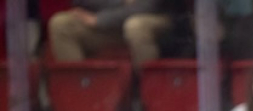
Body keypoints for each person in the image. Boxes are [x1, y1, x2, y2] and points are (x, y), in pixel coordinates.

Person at [48, 0, 176, 68]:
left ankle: (146, 99)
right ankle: (81, 98)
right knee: (61, 24)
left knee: (135, 26)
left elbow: (147, 6)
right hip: (106, 21)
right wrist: (119, 1)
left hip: (153, 19)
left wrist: (101, 19)